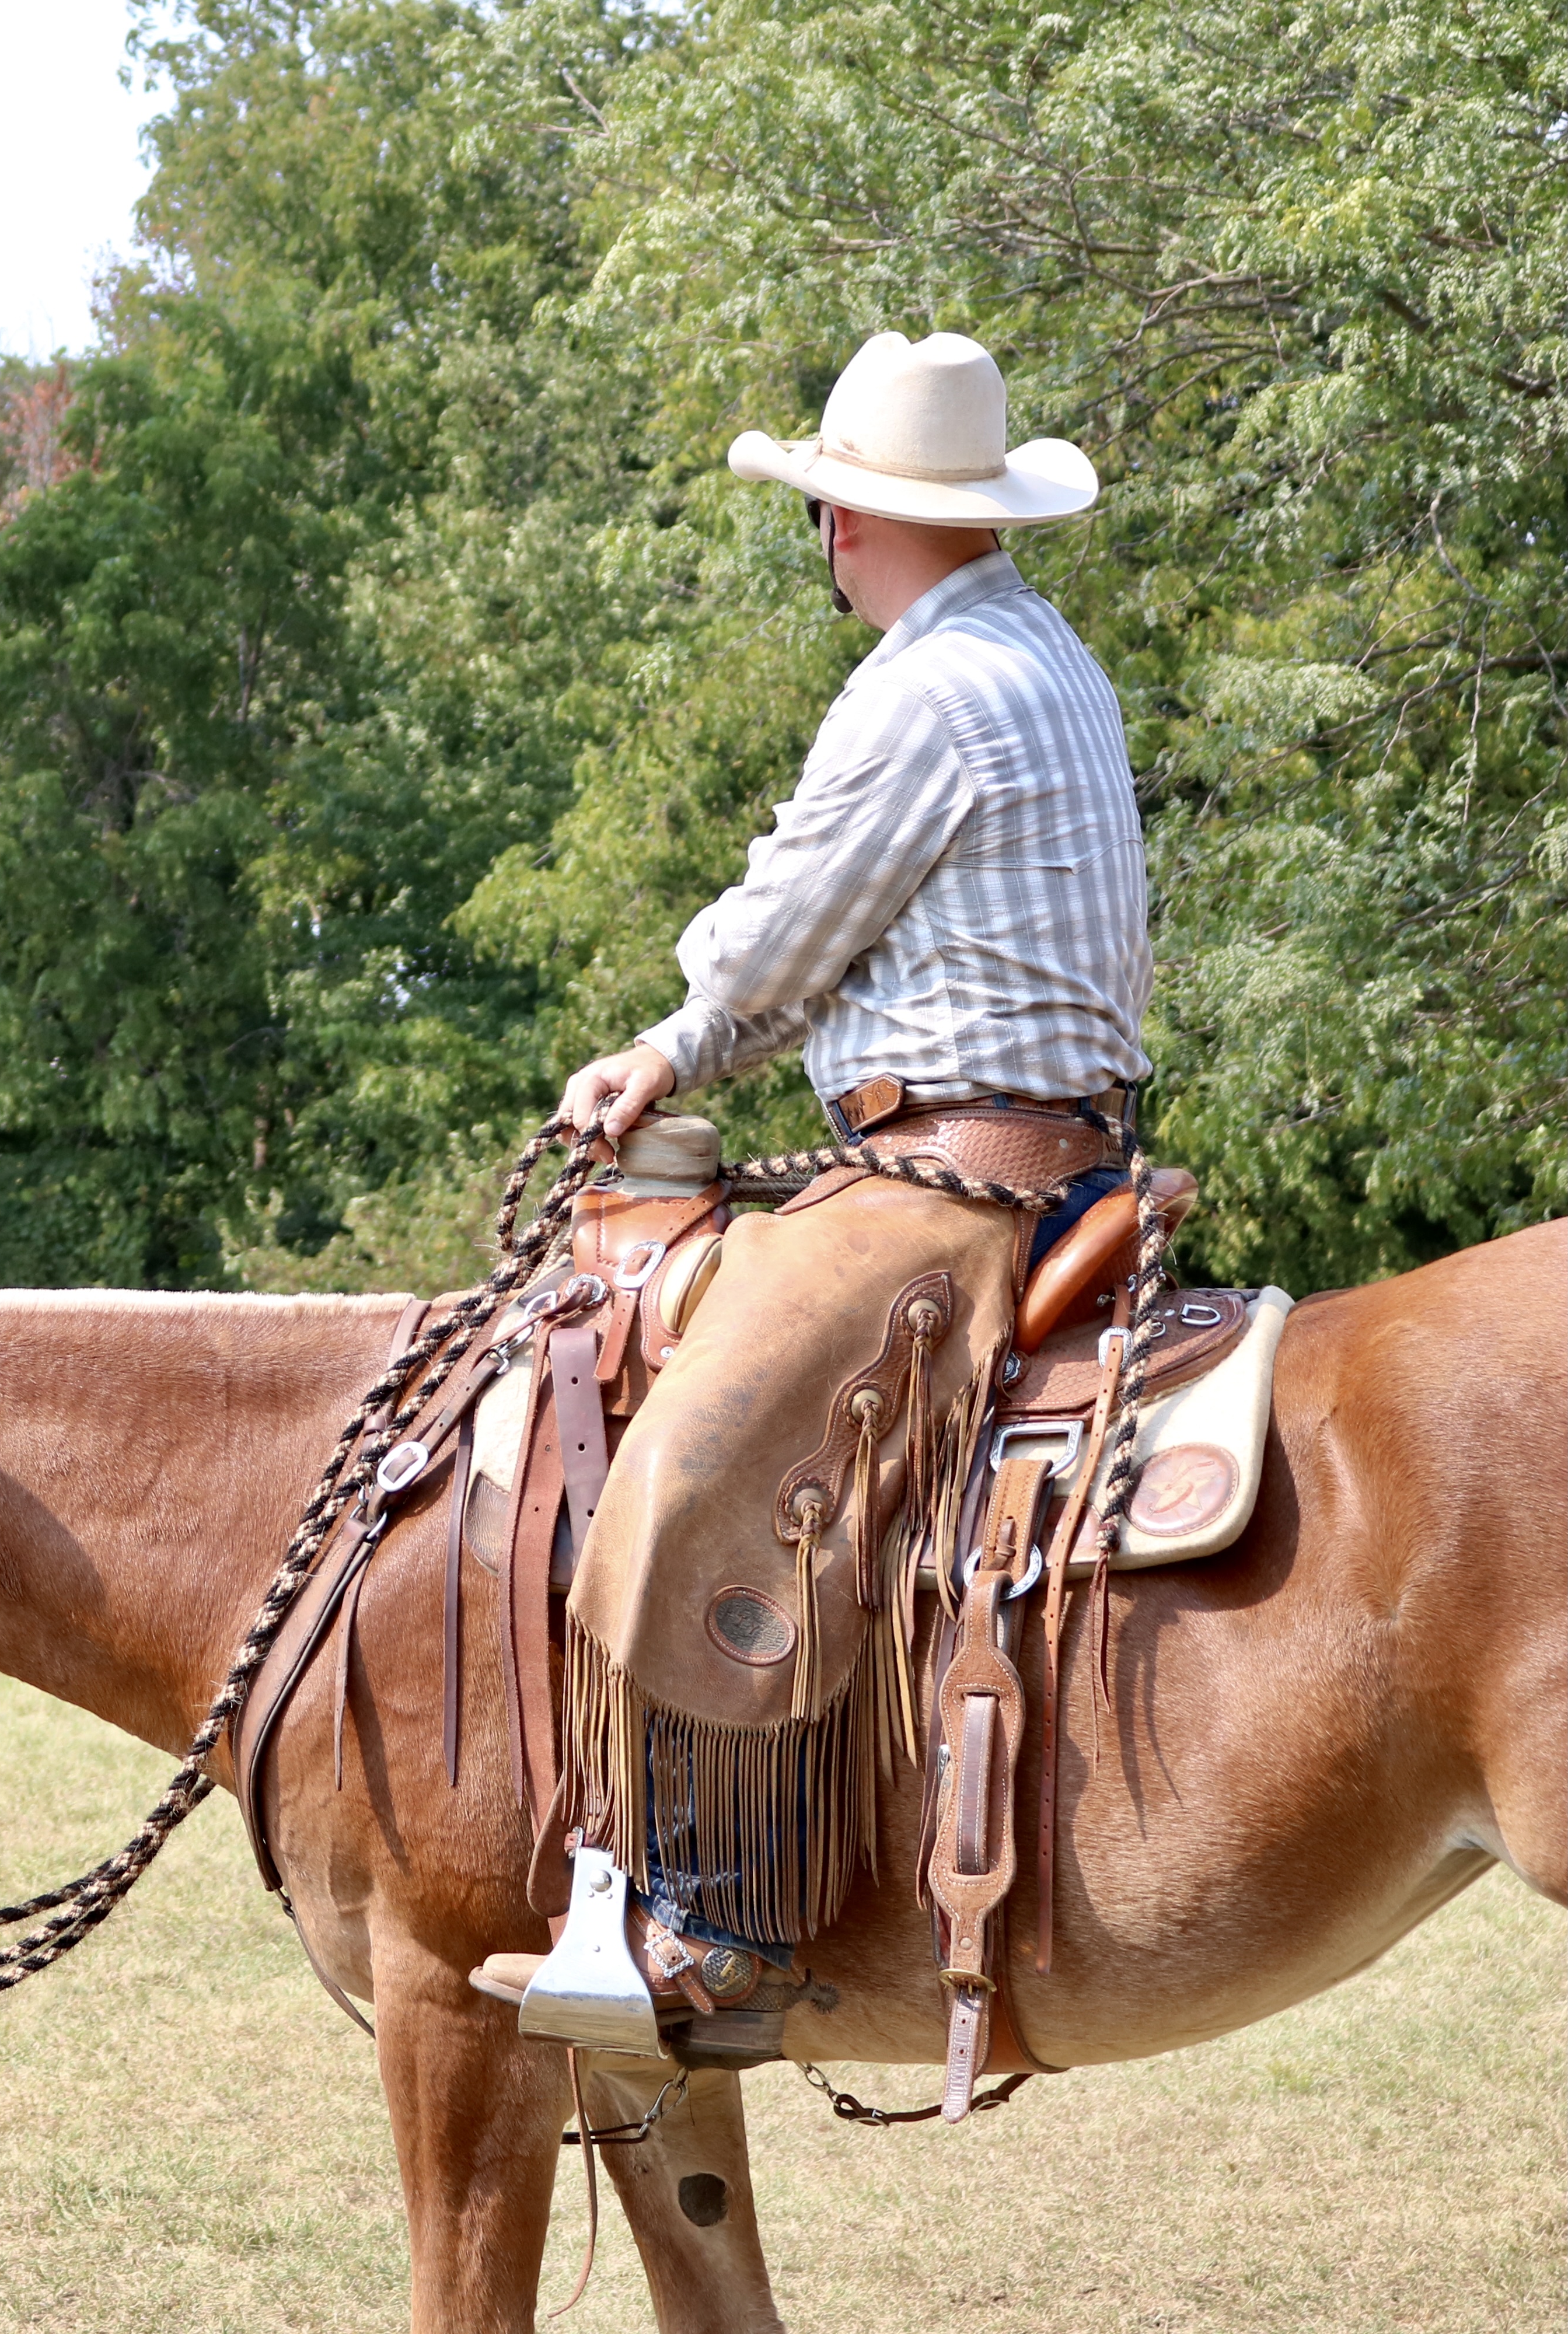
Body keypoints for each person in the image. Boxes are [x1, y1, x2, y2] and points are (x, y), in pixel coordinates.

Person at [487, 330, 1150, 2025]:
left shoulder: (928, 689)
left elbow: (775, 935)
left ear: (849, 521)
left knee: (693, 1454)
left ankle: (717, 1912)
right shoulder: (1043, 654)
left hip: (947, 1182)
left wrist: (683, 1020)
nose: (824, 544)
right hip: (1043, 1151)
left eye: (821, 516)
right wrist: (689, 1037)